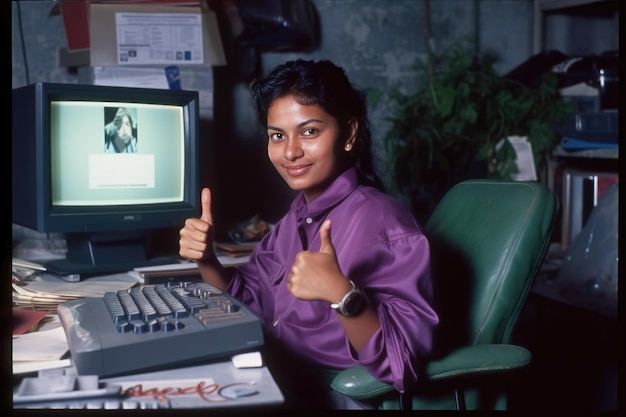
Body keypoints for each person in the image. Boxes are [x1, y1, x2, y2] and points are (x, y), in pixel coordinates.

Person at [178, 59, 438, 409]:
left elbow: (401, 365)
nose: (290, 151)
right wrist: (207, 259)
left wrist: (343, 296)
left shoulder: (385, 224)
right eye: (277, 136)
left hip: (329, 396)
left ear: (348, 134)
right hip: (280, 375)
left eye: (310, 131)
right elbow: (250, 300)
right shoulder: (298, 216)